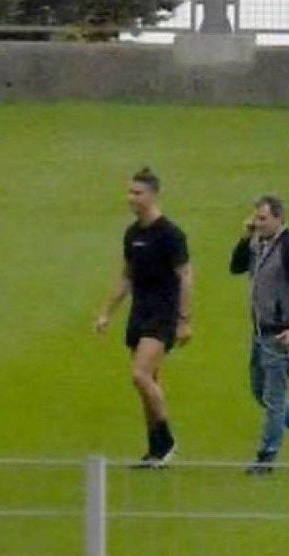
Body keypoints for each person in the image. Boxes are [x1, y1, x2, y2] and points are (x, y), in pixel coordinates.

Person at [95, 167, 193, 468]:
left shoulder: (170, 234)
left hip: (162, 314)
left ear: (153, 194)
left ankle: (167, 440)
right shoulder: (133, 234)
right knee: (148, 384)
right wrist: (106, 313)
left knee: (140, 374)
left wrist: (184, 319)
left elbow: (186, 275)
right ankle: (155, 451)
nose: (131, 198)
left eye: (137, 193)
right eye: (130, 192)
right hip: (140, 314)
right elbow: (127, 276)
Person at [229, 195, 289, 473]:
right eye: (256, 218)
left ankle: (266, 457)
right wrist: (245, 236)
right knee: (261, 391)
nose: (257, 223)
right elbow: (235, 267)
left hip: (277, 334)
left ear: (279, 219)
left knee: (274, 398)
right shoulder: (259, 245)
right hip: (259, 331)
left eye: (263, 218)